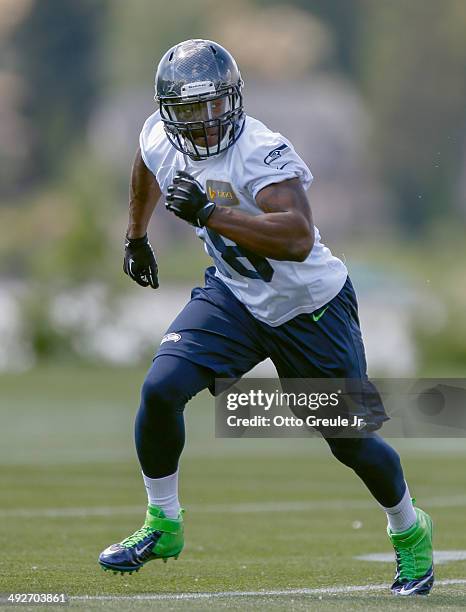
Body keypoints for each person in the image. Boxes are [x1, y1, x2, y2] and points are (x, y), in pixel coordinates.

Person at [98, 39, 434, 596]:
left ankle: (410, 531)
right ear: (168, 113)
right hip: (236, 295)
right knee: (160, 388)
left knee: (348, 440)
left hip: (310, 308)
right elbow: (147, 164)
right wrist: (135, 235)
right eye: (187, 112)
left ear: (233, 101)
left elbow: (299, 238)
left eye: (211, 107)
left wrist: (210, 212)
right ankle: (163, 523)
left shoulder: (259, 150)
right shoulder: (160, 135)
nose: (202, 124)